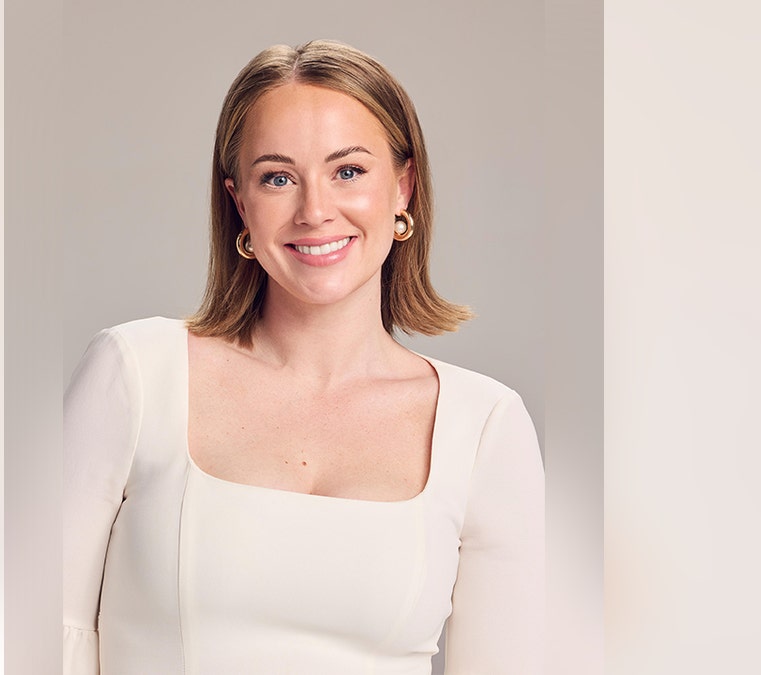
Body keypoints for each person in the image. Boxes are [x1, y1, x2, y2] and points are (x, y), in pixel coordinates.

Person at [63, 40, 544, 674]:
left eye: (348, 171)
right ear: (240, 202)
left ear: (404, 188)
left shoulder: (483, 426)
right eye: (278, 177)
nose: (315, 211)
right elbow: (50, 633)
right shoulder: (136, 373)